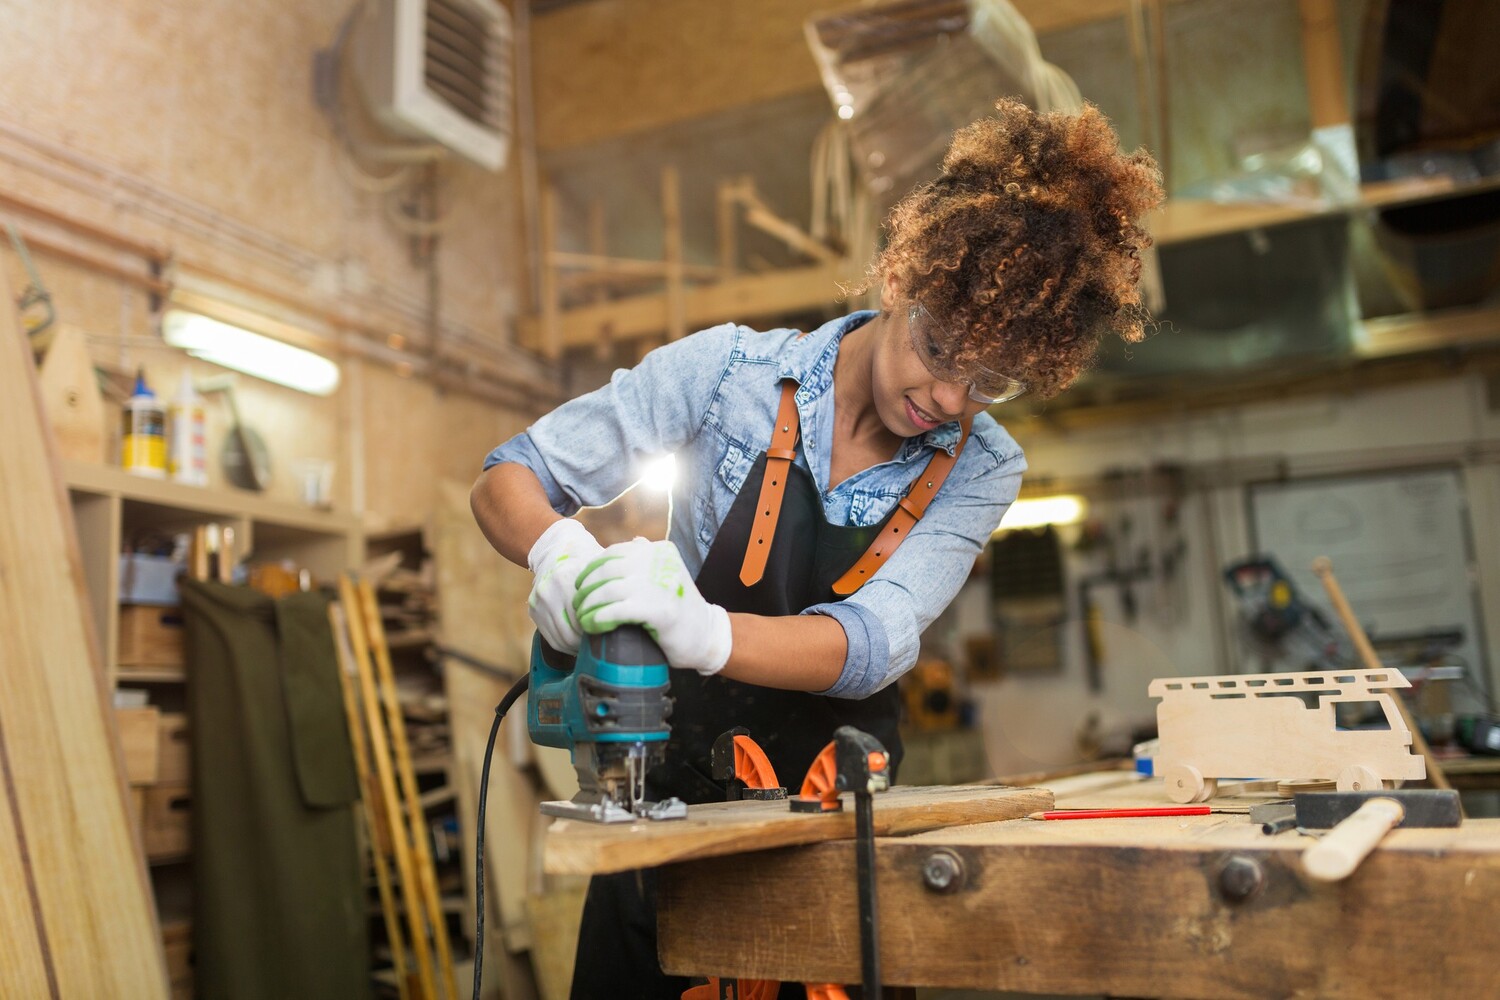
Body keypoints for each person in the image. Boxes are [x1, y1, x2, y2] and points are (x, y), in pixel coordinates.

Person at [471, 98, 1163, 998]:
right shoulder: (726, 373)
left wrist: (706, 634)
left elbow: (876, 639)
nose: (951, 398)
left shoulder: (984, 465)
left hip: (839, 828)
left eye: (993, 382)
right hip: (667, 807)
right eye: (942, 348)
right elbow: (510, 476)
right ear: (900, 281)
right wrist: (559, 553)